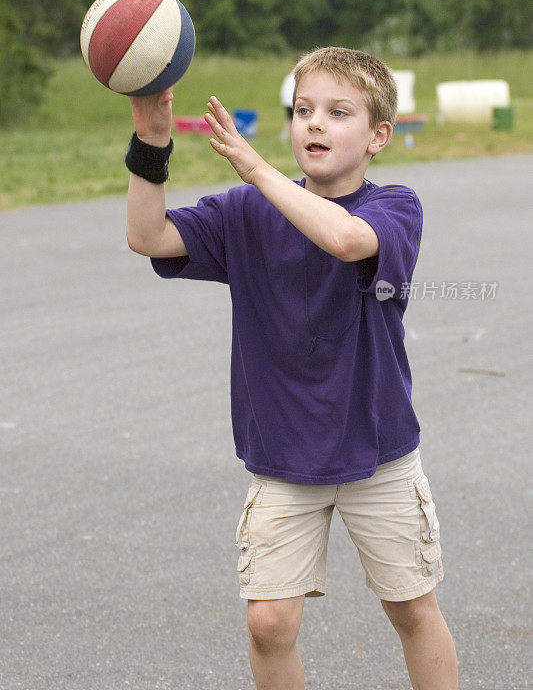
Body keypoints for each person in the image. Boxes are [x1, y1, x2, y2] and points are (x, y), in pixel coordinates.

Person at [125, 47, 459, 690]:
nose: (315, 124)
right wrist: (151, 144)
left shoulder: (395, 208)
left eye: (339, 112)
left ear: (378, 136)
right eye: (304, 110)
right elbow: (148, 237)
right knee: (268, 624)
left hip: (378, 451)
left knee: (411, 610)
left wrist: (254, 166)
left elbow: (343, 239)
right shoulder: (244, 214)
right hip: (283, 457)